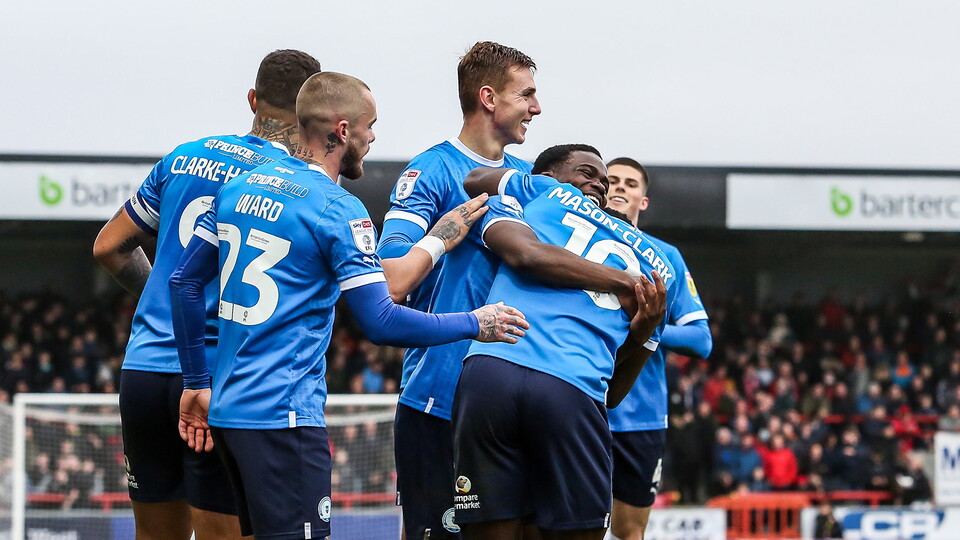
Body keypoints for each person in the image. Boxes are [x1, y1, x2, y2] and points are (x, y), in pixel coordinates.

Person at [168, 71, 529, 540]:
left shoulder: (238, 187)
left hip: (229, 413)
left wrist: (197, 380)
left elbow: (183, 282)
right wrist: (473, 322)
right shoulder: (338, 209)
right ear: (343, 131)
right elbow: (380, 320)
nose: (373, 137)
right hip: (286, 418)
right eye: (370, 126)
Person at [92, 49, 321, 540]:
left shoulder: (185, 155)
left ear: (252, 99)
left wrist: (165, 302)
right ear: (311, 115)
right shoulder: (289, 182)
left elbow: (109, 247)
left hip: (145, 373)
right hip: (218, 380)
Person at [453, 157, 677, 539]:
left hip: (490, 370)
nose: (603, 187)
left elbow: (474, 179)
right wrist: (642, 333)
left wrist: (529, 180)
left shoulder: (552, 194)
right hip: (571, 387)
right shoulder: (660, 272)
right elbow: (614, 394)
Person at [376, 41, 541, 540]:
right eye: (526, 95)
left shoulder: (528, 180)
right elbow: (390, 278)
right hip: (440, 399)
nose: (536, 107)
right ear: (489, 98)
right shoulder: (430, 170)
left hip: (512, 402)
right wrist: (443, 235)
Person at [602, 157, 713, 540]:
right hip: (582, 407)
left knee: (630, 532)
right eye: (611, 180)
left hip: (641, 417)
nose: (619, 187)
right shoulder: (572, 242)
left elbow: (701, 340)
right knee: (573, 525)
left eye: (630, 184)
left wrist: (646, 325)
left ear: (643, 201)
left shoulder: (666, 257)